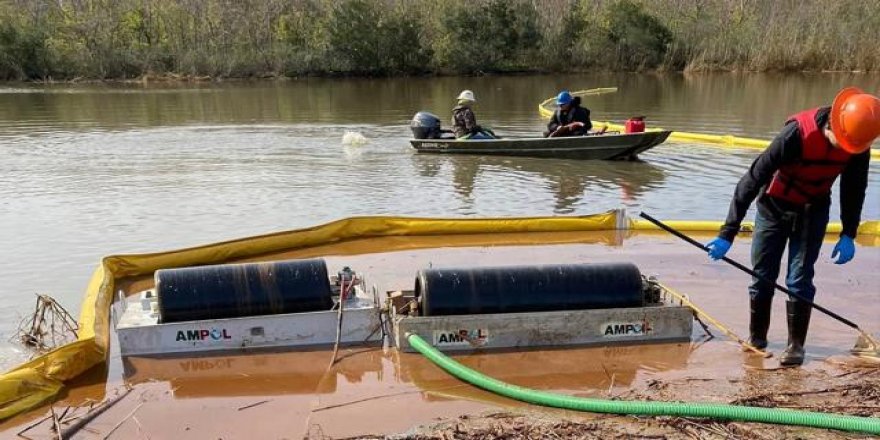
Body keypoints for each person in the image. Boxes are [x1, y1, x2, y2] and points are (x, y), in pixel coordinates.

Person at [705, 87, 878, 366]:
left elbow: (854, 189)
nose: (844, 151)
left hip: (813, 209)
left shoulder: (857, 143)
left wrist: (849, 232)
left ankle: (796, 347)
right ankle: (757, 340)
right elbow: (751, 179)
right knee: (762, 277)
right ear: (834, 124)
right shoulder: (794, 135)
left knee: (799, 279)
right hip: (774, 206)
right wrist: (727, 233)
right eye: (842, 144)